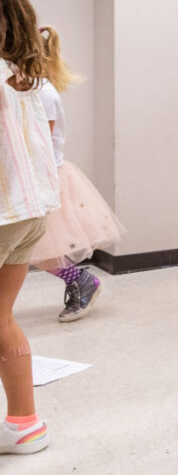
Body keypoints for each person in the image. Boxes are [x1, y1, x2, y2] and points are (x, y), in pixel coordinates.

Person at [29, 26, 125, 321]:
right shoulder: (30, 90)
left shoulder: (42, 92)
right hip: (33, 176)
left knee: (37, 247)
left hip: (43, 177)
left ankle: (80, 279)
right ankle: (78, 279)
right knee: (33, 247)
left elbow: (39, 144)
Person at [0, 0, 56, 455]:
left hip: (2, 211)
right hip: (29, 211)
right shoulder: (23, 73)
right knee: (1, 315)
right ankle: (23, 422)